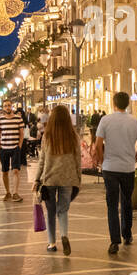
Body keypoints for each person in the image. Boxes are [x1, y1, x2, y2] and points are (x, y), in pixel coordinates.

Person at [93, 92, 137, 254]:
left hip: (110, 168)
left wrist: (102, 161)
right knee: (127, 201)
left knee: (112, 204)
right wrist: (133, 160)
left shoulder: (105, 120)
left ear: (114, 104)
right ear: (128, 104)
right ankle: (127, 234)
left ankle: (114, 241)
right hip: (127, 168)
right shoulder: (136, 122)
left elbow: (97, 145)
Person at [35, 105, 82, 255]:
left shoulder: (47, 136)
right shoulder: (73, 136)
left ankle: (51, 243)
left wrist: (37, 179)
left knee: (51, 211)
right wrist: (78, 179)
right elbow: (77, 160)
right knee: (63, 210)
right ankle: (64, 235)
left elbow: (42, 160)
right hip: (68, 178)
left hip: (49, 178)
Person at [0, 100, 25, 201]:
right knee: (5, 171)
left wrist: (19, 146)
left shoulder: (18, 118)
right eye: (5, 106)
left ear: (12, 106)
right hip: (4, 148)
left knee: (16, 170)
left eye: (9, 105)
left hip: (15, 148)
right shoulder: (0, 119)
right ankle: (7, 192)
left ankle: (15, 193)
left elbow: (21, 133)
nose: (7, 107)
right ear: (3, 108)